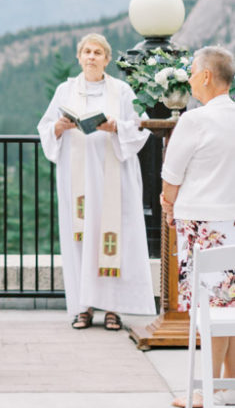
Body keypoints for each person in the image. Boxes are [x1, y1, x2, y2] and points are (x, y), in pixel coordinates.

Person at [38, 33, 155, 331]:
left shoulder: (123, 91)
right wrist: (59, 128)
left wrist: (116, 126)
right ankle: (83, 307)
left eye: (97, 52)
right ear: (79, 57)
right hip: (77, 180)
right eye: (86, 52)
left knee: (114, 237)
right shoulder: (65, 91)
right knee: (81, 241)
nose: (91, 57)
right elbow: (45, 126)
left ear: (106, 58)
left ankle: (113, 308)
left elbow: (140, 127)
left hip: (115, 177)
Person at [160, 45, 235, 408]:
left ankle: (207, 389)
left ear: (206, 76)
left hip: (202, 223)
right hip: (232, 220)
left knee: (209, 307)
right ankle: (229, 386)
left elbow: (171, 174)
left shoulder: (194, 120)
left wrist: (167, 201)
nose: (189, 77)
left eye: (192, 71)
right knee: (232, 306)